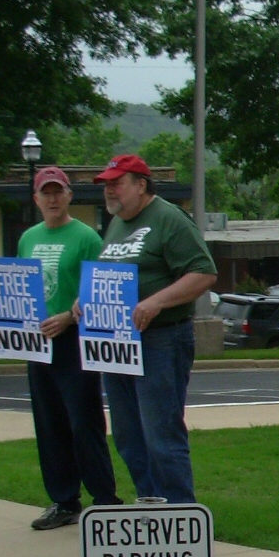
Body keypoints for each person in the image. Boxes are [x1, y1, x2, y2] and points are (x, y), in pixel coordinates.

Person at [0, 166, 119, 528]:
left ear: (70, 196)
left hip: (72, 341)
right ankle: (64, 500)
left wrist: (68, 319)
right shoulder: (28, 239)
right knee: (49, 422)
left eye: (59, 192)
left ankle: (104, 498)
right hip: (37, 342)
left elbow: (97, 288)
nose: (53, 198)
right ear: (36, 199)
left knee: (83, 421)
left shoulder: (87, 237)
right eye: (46, 192)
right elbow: (22, 288)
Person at [91, 154, 217, 505]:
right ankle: (151, 505)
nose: (109, 191)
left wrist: (155, 302)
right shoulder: (116, 223)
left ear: (141, 184)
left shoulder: (168, 218)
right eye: (106, 185)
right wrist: (84, 301)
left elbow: (203, 273)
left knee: (161, 434)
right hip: (118, 343)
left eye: (117, 182)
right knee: (129, 435)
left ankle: (179, 513)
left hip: (161, 339)